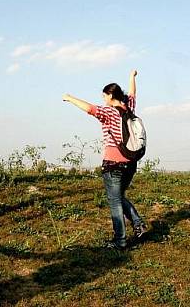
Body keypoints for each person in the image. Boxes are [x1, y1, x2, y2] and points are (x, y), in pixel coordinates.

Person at [62, 70, 147, 250]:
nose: (103, 100)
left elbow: (89, 109)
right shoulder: (128, 107)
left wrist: (70, 98)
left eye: (104, 96)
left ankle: (120, 240)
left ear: (110, 95)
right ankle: (138, 223)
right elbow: (132, 93)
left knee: (115, 200)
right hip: (130, 162)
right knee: (119, 196)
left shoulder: (108, 112)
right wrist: (132, 76)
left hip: (113, 164)